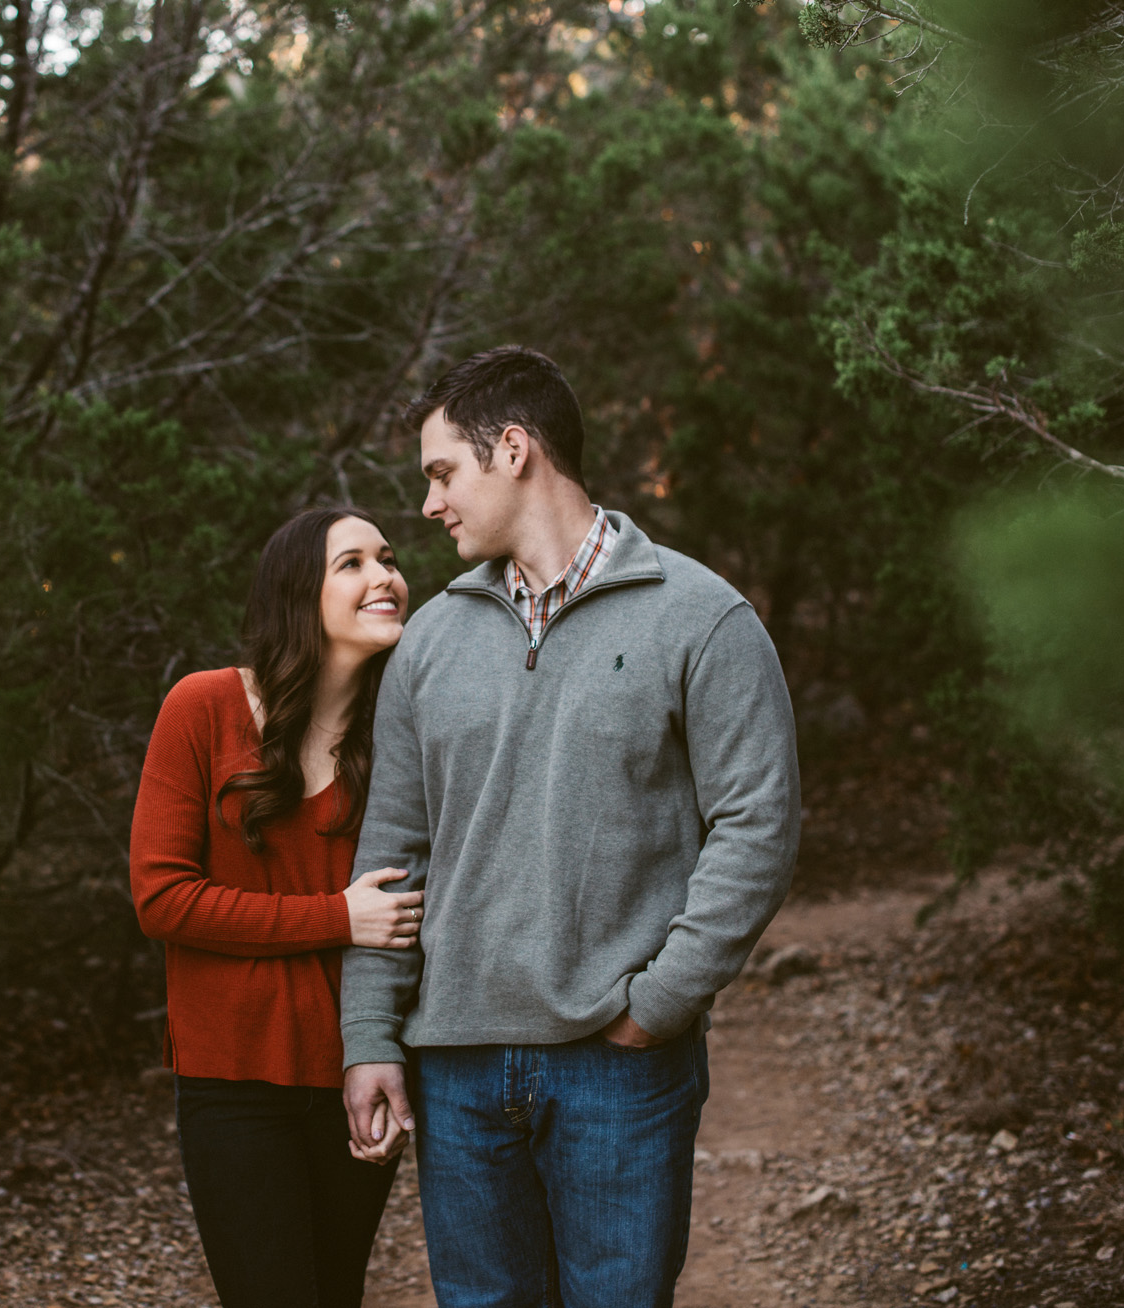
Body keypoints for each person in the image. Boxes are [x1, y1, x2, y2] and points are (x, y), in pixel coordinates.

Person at [339, 346, 802, 1307]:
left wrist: (660, 1001)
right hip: (456, 1069)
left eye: (442, 473)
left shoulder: (701, 617)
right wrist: (371, 1037)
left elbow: (757, 826)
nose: (429, 504)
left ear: (514, 449)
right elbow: (392, 857)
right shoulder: (429, 642)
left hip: (618, 1066)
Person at [130, 506, 423, 1308]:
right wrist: (336, 916)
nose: (385, 577)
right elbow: (162, 898)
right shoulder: (202, 707)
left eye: (388, 559)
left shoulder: (396, 737)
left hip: (356, 1070)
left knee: (336, 1294)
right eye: (352, 564)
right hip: (233, 1079)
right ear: (297, 593)